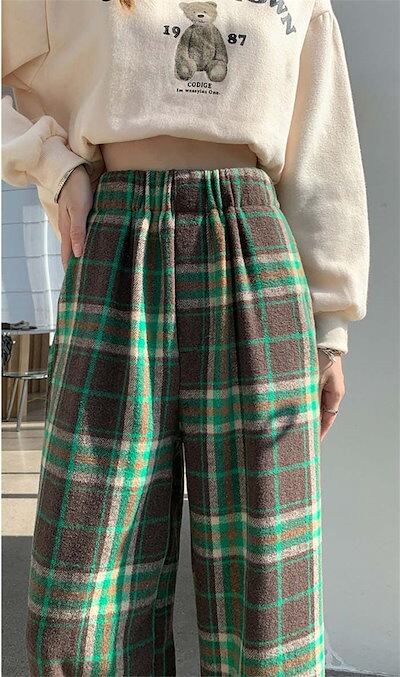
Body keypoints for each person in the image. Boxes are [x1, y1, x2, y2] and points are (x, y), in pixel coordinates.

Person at [1, 0, 370, 674]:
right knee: (82, 602)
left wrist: (330, 326)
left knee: (268, 586)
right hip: (116, 248)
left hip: (255, 253)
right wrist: (55, 167)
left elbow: (323, 146)